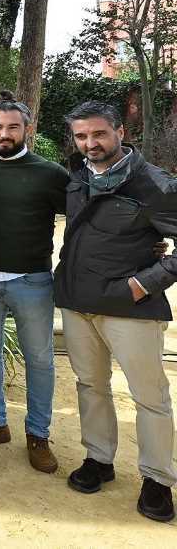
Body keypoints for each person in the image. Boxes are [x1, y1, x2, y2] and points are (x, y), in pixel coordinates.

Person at [53, 101, 176, 523]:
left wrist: (145, 283)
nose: (91, 144)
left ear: (120, 132)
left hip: (129, 307)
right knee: (90, 385)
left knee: (150, 397)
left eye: (99, 134)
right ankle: (99, 459)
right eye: (82, 136)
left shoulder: (155, 184)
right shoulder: (77, 178)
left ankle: (158, 480)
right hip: (76, 300)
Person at [0, 99, 68, 473]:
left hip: (32, 281)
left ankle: (38, 434)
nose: (4, 134)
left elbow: (89, 216)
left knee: (39, 359)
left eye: (12, 127)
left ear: (27, 129)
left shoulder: (50, 173)